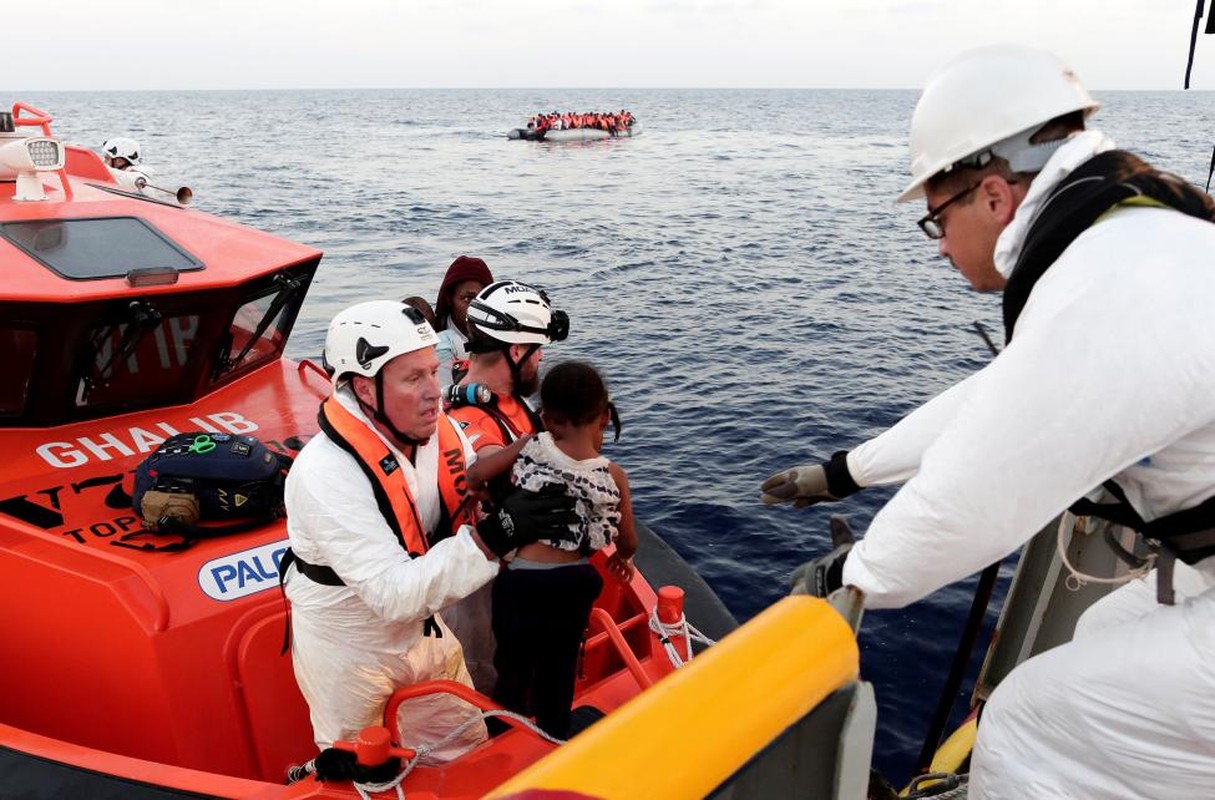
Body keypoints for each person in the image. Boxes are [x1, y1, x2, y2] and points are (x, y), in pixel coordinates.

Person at [760, 44, 1215, 799]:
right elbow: (1001, 397)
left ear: (996, 196)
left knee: (1027, 724)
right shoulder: (1134, 251)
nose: (937, 244)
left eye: (935, 218)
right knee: (1104, 637)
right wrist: (846, 472)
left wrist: (848, 574)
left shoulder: (1109, 282)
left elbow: (970, 500)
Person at [282, 300, 574, 764]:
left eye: (433, 372)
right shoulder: (324, 475)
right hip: (350, 647)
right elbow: (392, 595)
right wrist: (499, 534)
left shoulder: (434, 430)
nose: (434, 392)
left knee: (462, 747)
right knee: (365, 771)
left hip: (424, 632)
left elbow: (467, 477)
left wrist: (531, 467)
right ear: (366, 389)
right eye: (413, 379)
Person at [466, 360, 637, 738]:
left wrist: (481, 490)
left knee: (510, 665)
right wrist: (623, 560)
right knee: (558, 668)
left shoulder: (533, 444)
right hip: (573, 586)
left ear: (545, 416)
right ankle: (555, 734)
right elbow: (628, 541)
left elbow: (475, 475)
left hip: (520, 584)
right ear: (604, 416)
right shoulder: (613, 475)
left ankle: (502, 737)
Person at [433, 256, 493, 386]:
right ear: (449, 299)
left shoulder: (501, 339)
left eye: (482, 300)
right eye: (468, 299)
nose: (476, 308)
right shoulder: (439, 344)